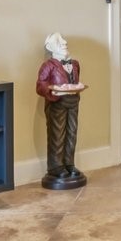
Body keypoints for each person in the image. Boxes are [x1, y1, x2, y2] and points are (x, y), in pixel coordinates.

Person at [35, 33, 87, 190]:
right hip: (56, 103)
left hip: (73, 102)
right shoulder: (48, 66)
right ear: (50, 47)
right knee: (57, 133)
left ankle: (69, 163)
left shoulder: (75, 64)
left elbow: (74, 81)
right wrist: (52, 91)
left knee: (72, 132)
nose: (64, 42)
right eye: (58, 41)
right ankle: (56, 166)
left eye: (63, 39)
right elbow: (40, 85)